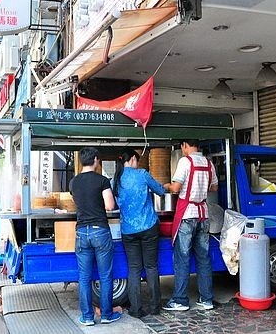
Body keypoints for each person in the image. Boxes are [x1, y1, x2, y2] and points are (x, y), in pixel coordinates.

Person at [162, 139, 218, 311]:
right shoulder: (209, 163)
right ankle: (207, 299)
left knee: (182, 258)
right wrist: (200, 187)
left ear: (185, 145)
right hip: (203, 215)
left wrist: (166, 186)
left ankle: (180, 300)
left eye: (182, 147)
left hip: (187, 216)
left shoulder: (185, 161)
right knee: (203, 258)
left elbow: (176, 188)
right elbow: (214, 187)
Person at [69, 147, 122, 326]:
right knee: (105, 275)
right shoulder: (102, 180)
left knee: (84, 277)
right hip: (100, 230)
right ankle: (106, 315)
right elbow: (109, 205)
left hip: (82, 232)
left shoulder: (73, 182)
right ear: (96, 160)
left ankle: (87, 317)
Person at [112, 148, 165, 317]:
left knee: (134, 269)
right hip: (148, 227)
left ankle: (136, 309)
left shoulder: (117, 179)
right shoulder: (142, 174)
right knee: (151, 267)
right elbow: (161, 191)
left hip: (128, 230)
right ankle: (155, 307)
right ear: (133, 159)